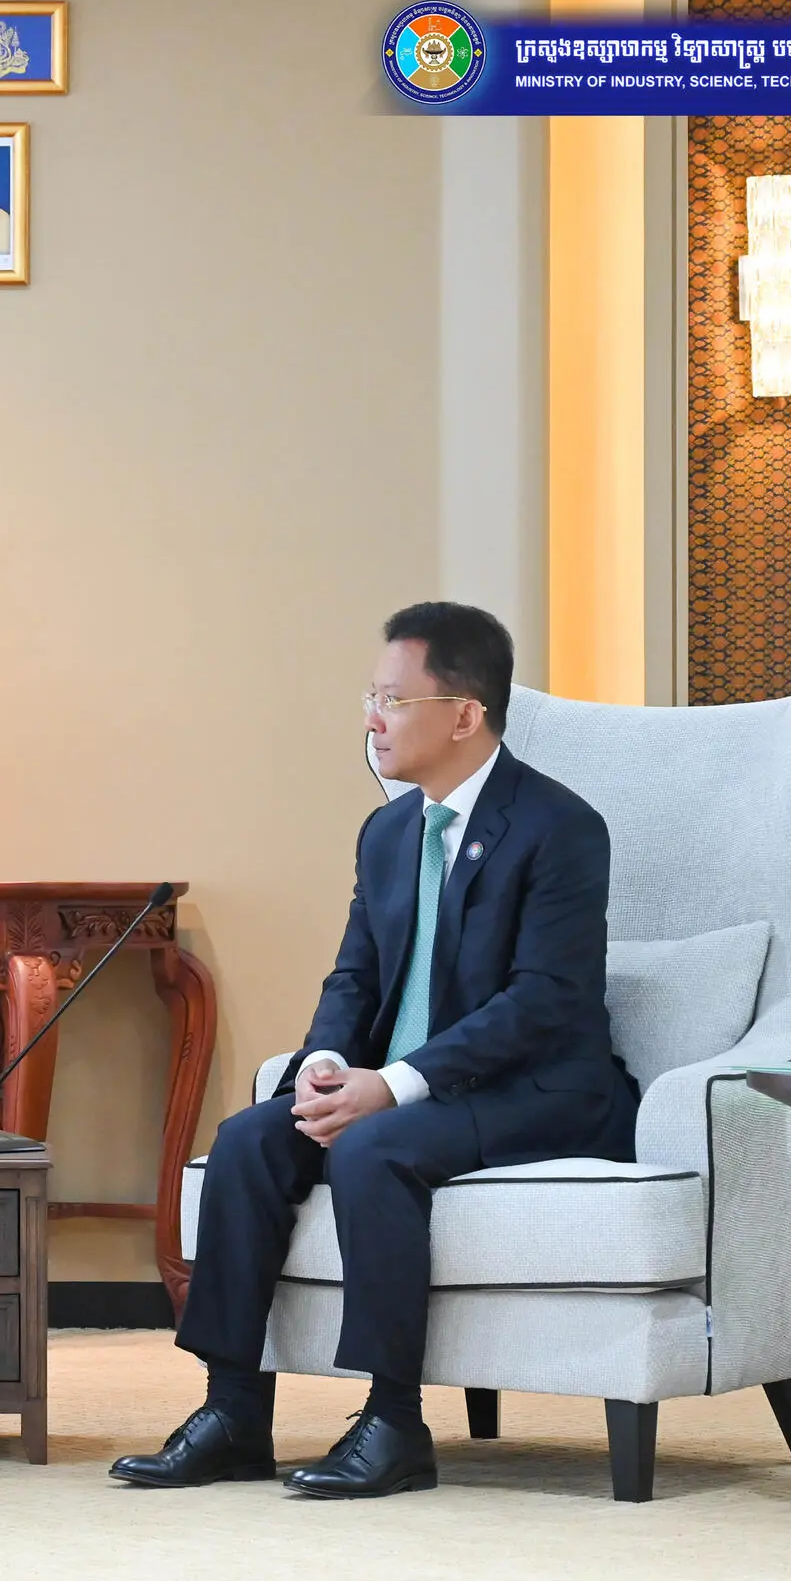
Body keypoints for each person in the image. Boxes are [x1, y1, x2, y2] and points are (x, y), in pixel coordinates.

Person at [110, 602, 634, 1499]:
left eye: (393, 700)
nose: (372, 719)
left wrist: (392, 1085)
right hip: (407, 1087)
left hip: (540, 1089)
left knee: (373, 1148)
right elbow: (355, 975)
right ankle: (233, 1412)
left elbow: (545, 1001)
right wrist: (323, 1066)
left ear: (464, 714)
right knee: (248, 1139)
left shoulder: (560, 826)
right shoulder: (389, 832)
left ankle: (393, 1422)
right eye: (371, 697)